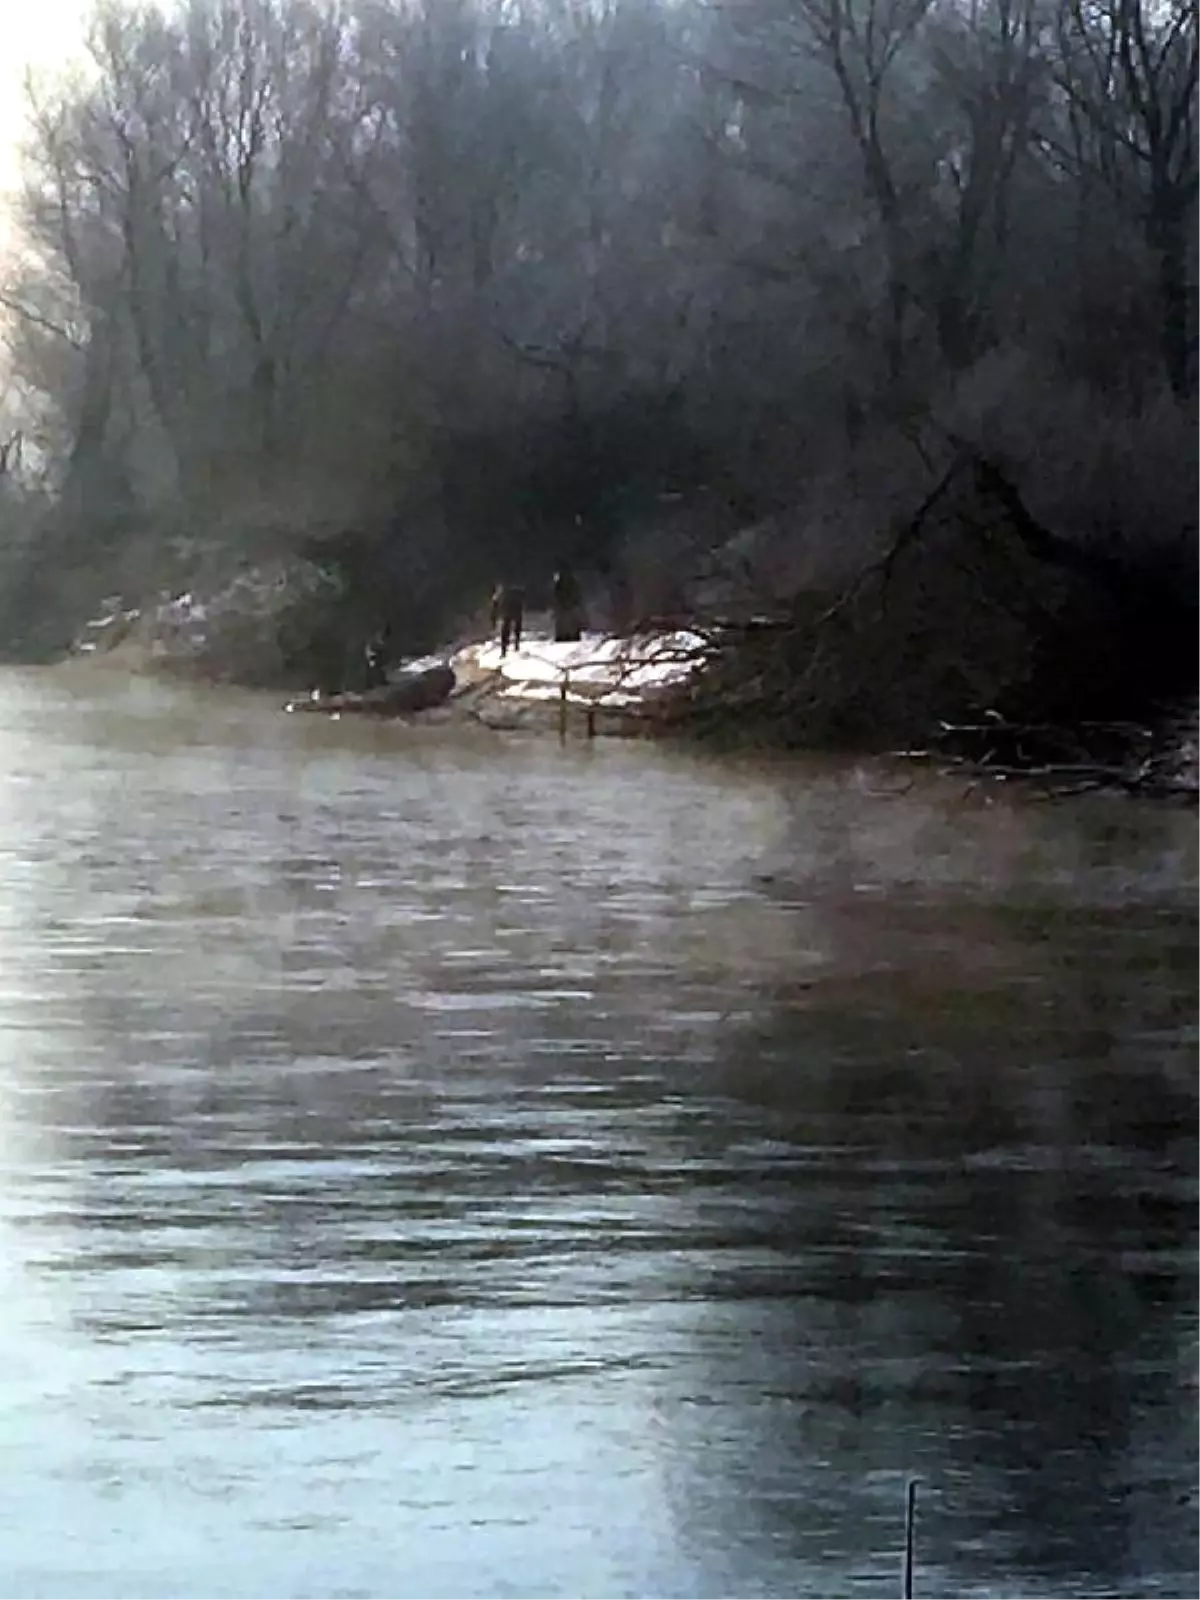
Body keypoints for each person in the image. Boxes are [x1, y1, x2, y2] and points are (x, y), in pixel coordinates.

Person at [551, 564, 585, 643]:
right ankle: (571, 635)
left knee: (564, 621)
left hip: (565, 604)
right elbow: (577, 593)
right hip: (570, 604)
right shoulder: (573, 580)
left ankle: (563, 636)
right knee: (571, 621)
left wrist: (561, 602)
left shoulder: (560, 581)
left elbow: (557, 593)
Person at [491, 582, 525, 656]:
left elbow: (495, 607)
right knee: (515, 628)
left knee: (506, 630)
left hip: (508, 611)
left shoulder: (499, 595)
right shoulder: (513, 591)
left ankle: (504, 650)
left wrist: (494, 619)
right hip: (514, 609)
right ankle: (515, 644)